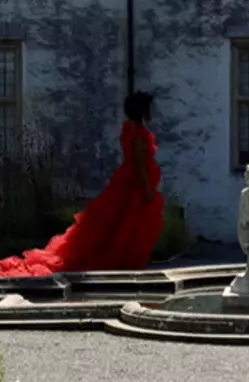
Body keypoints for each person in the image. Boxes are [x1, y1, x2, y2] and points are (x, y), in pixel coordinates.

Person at [0, 91, 165, 277]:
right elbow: (141, 164)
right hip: (134, 185)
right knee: (128, 224)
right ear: (142, 110)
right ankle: (119, 260)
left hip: (127, 181)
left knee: (119, 223)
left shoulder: (129, 129)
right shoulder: (139, 133)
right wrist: (149, 190)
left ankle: (121, 260)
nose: (153, 112)